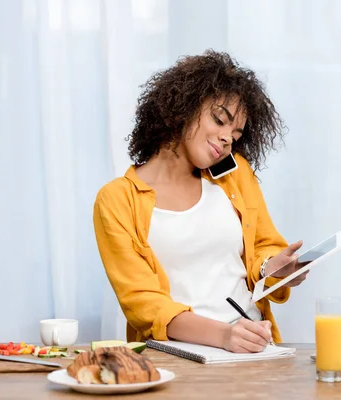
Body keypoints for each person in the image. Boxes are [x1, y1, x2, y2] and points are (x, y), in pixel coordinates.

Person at [93, 50, 308, 354]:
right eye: (219, 120)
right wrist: (223, 336)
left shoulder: (236, 176)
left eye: (235, 134)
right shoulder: (116, 200)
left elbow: (263, 245)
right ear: (181, 108)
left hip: (253, 346)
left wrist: (272, 269)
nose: (226, 139)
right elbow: (143, 304)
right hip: (176, 355)